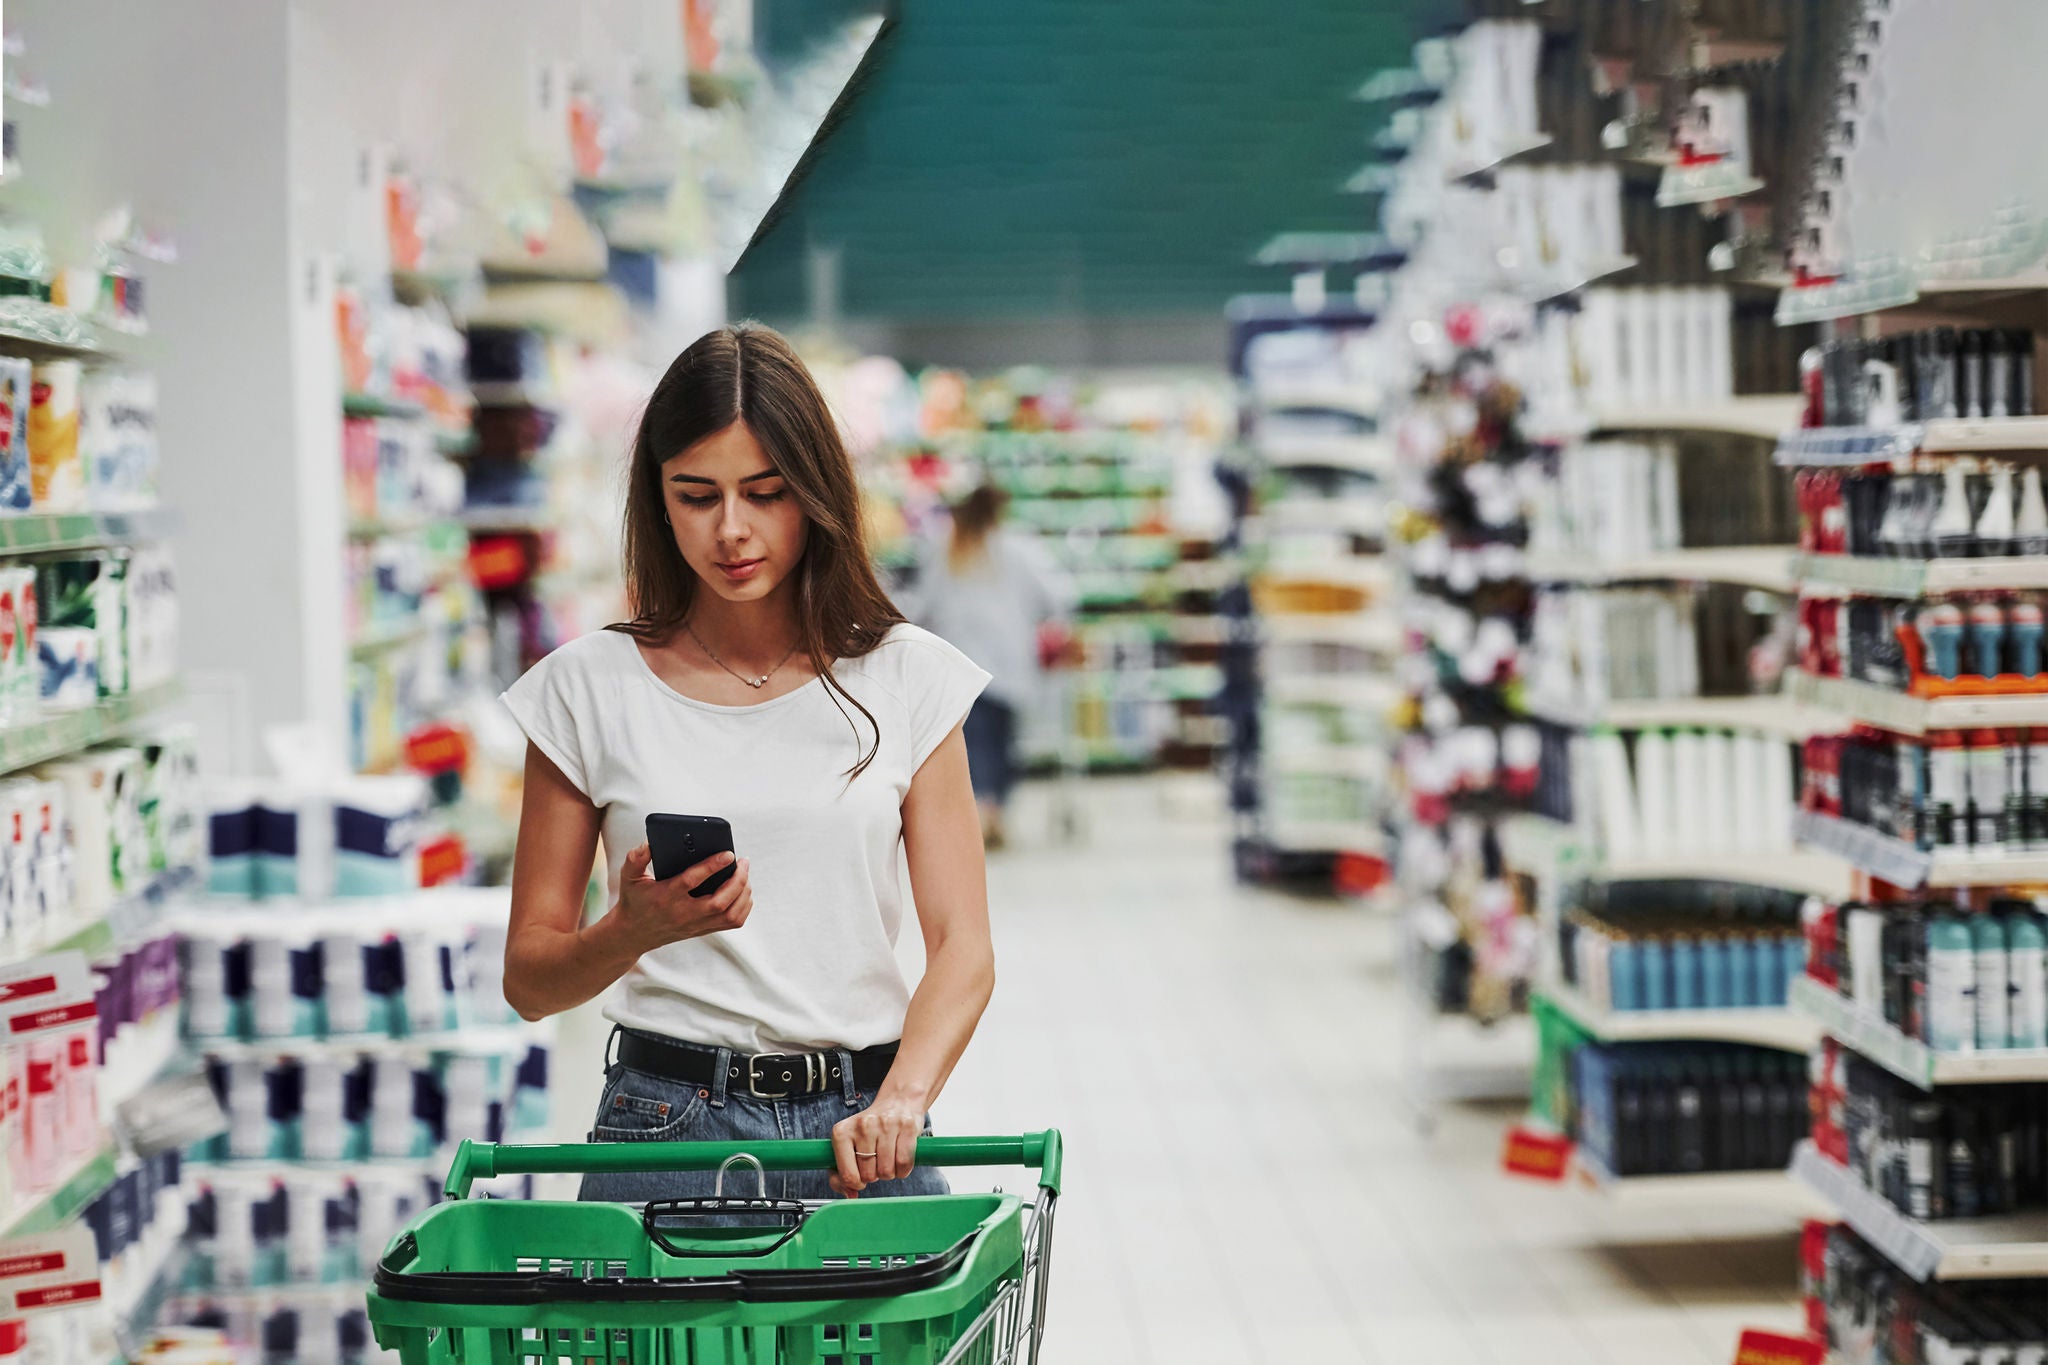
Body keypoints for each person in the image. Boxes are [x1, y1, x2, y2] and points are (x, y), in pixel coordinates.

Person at [499, 323, 995, 1205]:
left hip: (865, 1128)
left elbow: (963, 946)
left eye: (765, 493)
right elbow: (531, 981)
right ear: (656, 498)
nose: (732, 530)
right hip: (666, 1128)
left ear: (815, 492)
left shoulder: (907, 675)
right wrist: (630, 929)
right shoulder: (585, 689)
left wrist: (905, 1099)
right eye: (697, 496)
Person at [906, 481, 1073, 848]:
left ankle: (983, 811)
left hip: (956, 662)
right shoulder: (1018, 548)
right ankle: (993, 809)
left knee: (970, 742)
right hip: (1009, 665)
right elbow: (1059, 596)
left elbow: (923, 604)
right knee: (1001, 740)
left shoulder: (944, 546)